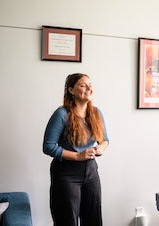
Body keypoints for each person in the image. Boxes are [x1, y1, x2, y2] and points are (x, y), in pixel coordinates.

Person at [43, 73, 109, 226]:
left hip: (91, 173)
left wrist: (101, 148)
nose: (89, 88)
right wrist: (78, 156)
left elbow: (105, 140)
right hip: (66, 175)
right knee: (67, 221)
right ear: (71, 90)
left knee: (93, 220)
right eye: (83, 85)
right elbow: (48, 146)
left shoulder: (96, 113)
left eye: (90, 85)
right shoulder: (61, 114)